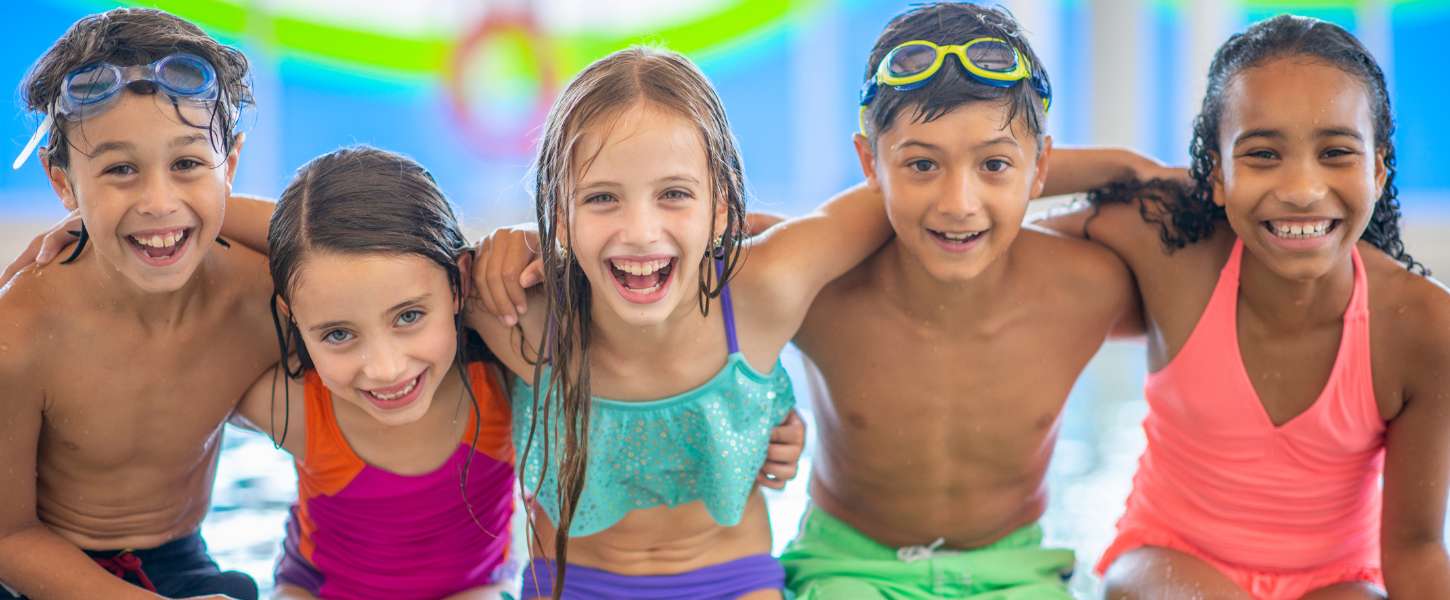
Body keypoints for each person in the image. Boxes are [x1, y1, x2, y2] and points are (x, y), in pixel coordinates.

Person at [1041, 14, 1450, 599]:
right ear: (1216, 174)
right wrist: (1142, 173)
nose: (1302, 189)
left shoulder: (1424, 326)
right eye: (1261, 155)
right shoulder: (1173, 248)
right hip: (1168, 560)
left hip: (1339, 582)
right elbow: (998, 201)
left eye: (1336, 152)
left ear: (1378, 170)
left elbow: (1416, 548)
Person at [468, 46, 893, 599]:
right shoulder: (519, 314)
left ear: (720, 208)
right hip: (575, 582)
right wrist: (514, 241)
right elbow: (381, 290)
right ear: (559, 218)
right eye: (601, 198)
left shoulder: (762, 291)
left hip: (732, 578)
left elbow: (904, 191)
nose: (641, 231)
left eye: (673, 195)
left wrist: (1027, 161)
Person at [0, 7, 268, 599]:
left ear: (232, 165)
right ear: (64, 184)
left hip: (178, 559)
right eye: (121, 169)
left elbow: (373, 253)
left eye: (188, 164)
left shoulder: (261, 295)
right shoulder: (21, 332)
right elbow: (7, 537)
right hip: (38, 566)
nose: (158, 201)